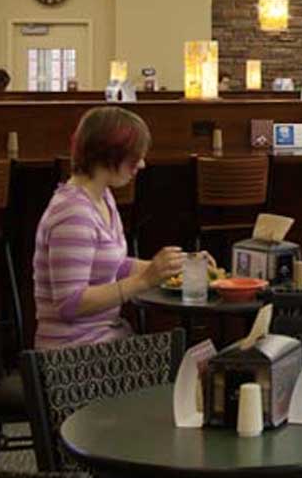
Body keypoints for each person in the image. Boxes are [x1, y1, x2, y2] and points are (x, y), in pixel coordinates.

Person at [33, 106, 198, 349]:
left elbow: (114, 266)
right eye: (134, 157)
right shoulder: (73, 213)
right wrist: (144, 280)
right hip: (69, 360)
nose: (141, 164)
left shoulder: (103, 198)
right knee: (190, 365)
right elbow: (70, 304)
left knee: (196, 361)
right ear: (109, 154)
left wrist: (184, 265)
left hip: (100, 344)